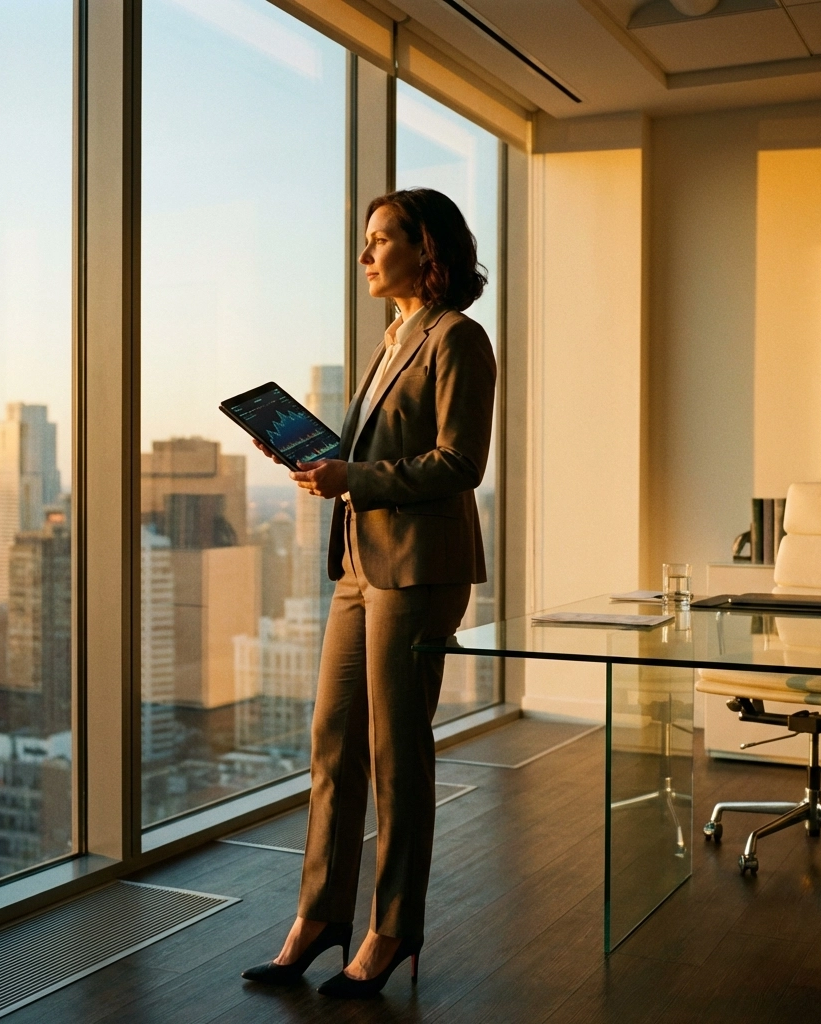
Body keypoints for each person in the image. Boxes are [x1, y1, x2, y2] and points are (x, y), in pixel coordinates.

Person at [241, 188, 496, 998]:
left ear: (428, 250)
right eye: (365, 241)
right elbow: (377, 452)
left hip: (419, 568)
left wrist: (355, 475)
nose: (365, 256)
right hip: (359, 565)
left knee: (398, 755)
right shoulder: (393, 342)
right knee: (332, 742)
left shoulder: (459, 339)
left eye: (379, 240)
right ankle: (319, 918)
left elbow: (462, 463)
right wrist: (314, 454)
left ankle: (391, 930)